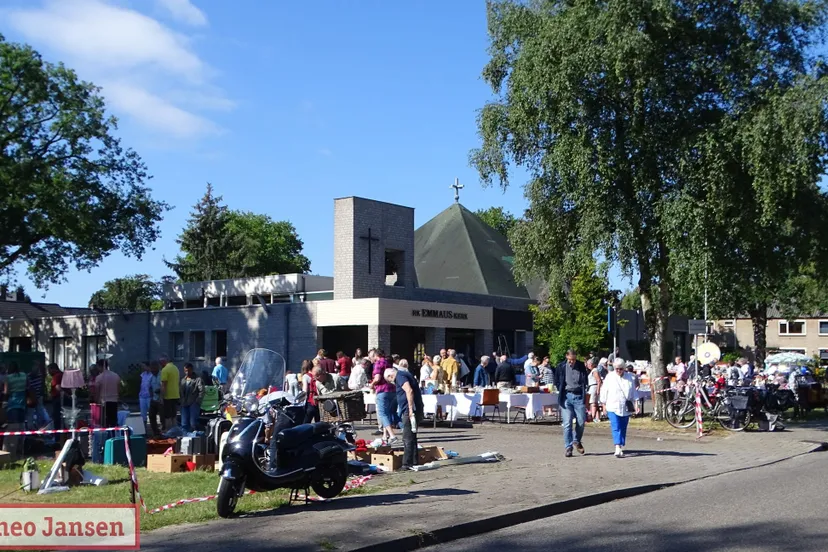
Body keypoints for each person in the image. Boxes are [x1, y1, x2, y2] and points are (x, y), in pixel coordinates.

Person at [384, 366, 424, 471]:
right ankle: (414, 461)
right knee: (412, 436)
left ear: (390, 376)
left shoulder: (400, 377)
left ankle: (406, 463)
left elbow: (409, 390)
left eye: (390, 380)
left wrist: (410, 408)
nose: (392, 383)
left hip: (410, 409)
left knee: (407, 437)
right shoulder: (404, 374)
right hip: (414, 408)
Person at [600, 358, 638, 458]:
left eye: (621, 369)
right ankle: (617, 446)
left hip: (625, 406)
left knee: (623, 427)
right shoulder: (609, 377)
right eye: (616, 368)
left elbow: (633, 392)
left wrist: (636, 404)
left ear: (624, 368)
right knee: (615, 426)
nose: (618, 370)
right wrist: (603, 404)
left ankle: (620, 444)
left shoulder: (629, 377)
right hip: (612, 405)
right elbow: (604, 391)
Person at [555, 349, 588, 457]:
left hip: (579, 396)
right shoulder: (561, 366)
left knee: (581, 421)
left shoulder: (581, 366)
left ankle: (576, 440)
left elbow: (585, 379)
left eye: (573, 360)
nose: (571, 362)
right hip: (566, 396)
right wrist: (561, 389)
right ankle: (568, 447)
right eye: (570, 359)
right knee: (567, 423)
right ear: (566, 356)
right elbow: (557, 380)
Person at [370, 350, 398, 443]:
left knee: (382, 414)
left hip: (382, 390)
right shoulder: (388, 362)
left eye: (371, 357)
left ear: (375, 355)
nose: (370, 359)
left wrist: (371, 384)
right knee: (388, 413)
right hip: (392, 390)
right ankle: (385, 435)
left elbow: (377, 378)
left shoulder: (378, 363)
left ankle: (392, 436)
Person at [95, 359, 121, 428]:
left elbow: (97, 391)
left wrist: (96, 401)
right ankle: (113, 432)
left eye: (98, 367)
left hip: (103, 401)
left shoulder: (99, 377)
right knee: (113, 419)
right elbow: (118, 388)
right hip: (114, 400)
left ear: (101, 366)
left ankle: (105, 432)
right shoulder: (116, 375)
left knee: (104, 420)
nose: (97, 369)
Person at [180, 363, 205, 432]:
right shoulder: (183, 380)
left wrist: (197, 401)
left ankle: (194, 435)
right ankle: (185, 435)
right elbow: (180, 391)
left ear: (192, 370)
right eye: (186, 371)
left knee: (193, 422)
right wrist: (180, 400)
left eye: (189, 370)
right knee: (184, 423)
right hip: (184, 403)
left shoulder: (198, 379)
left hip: (193, 403)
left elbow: (202, 391)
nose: (187, 372)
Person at [26, 361, 50, 429]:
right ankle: (39, 426)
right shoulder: (40, 376)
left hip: (33, 397)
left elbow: (28, 386)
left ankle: (32, 427)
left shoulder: (28, 376)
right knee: (39, 411)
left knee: (32, 412)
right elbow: (42, 386)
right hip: (36, 396)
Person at [159, 354, 181, 430]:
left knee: (167, 416)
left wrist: (161, 397)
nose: (160, 364)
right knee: (174, 415)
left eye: (160, 362)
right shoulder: (175, 368)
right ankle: (174, 430)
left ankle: (168, 431)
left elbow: (164, 385)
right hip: (176, 394)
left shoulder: (165, 370)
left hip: (168, 396)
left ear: (163, 361)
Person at [147, 361, 162, 436]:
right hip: (154, 399)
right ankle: (155, 432)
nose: (152, 370)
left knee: (162, 417)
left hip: (161, 400)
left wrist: (160, 390)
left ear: (157, 367)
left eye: (153, 368)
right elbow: (149, 387)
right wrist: (151, 396)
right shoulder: (151, 377)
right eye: (151, 369)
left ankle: (163, 432)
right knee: (151, 416)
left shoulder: (162, 375)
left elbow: (165, 386)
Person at [47, 363, 64, 430]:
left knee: (56, 416)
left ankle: (57, 433)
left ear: (53, 369)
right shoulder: (62, 374)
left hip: (57, 399)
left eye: (49, 370)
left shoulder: (56, 376)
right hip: (62, 398)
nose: (49, 372)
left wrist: (65, 394)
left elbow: (58, 387)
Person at [587, 358, 603, 425]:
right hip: (592, 387)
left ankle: (593, 417)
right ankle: (597, 417)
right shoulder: (593, 371)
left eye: (589, 364)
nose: (588, 365)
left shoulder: (594, 370)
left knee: (593, 403)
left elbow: (598, 380)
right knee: (595, 403)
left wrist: (598, 389)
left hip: (594, 387)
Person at [139, 362, 154, 430]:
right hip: (142, 395)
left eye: (144, 366)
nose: (143, 368)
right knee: (143, 414)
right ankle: (144, 429)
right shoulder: (143, 374)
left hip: (149, 396)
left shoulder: (152, 375)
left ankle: (153, 428)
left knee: (151, 412)